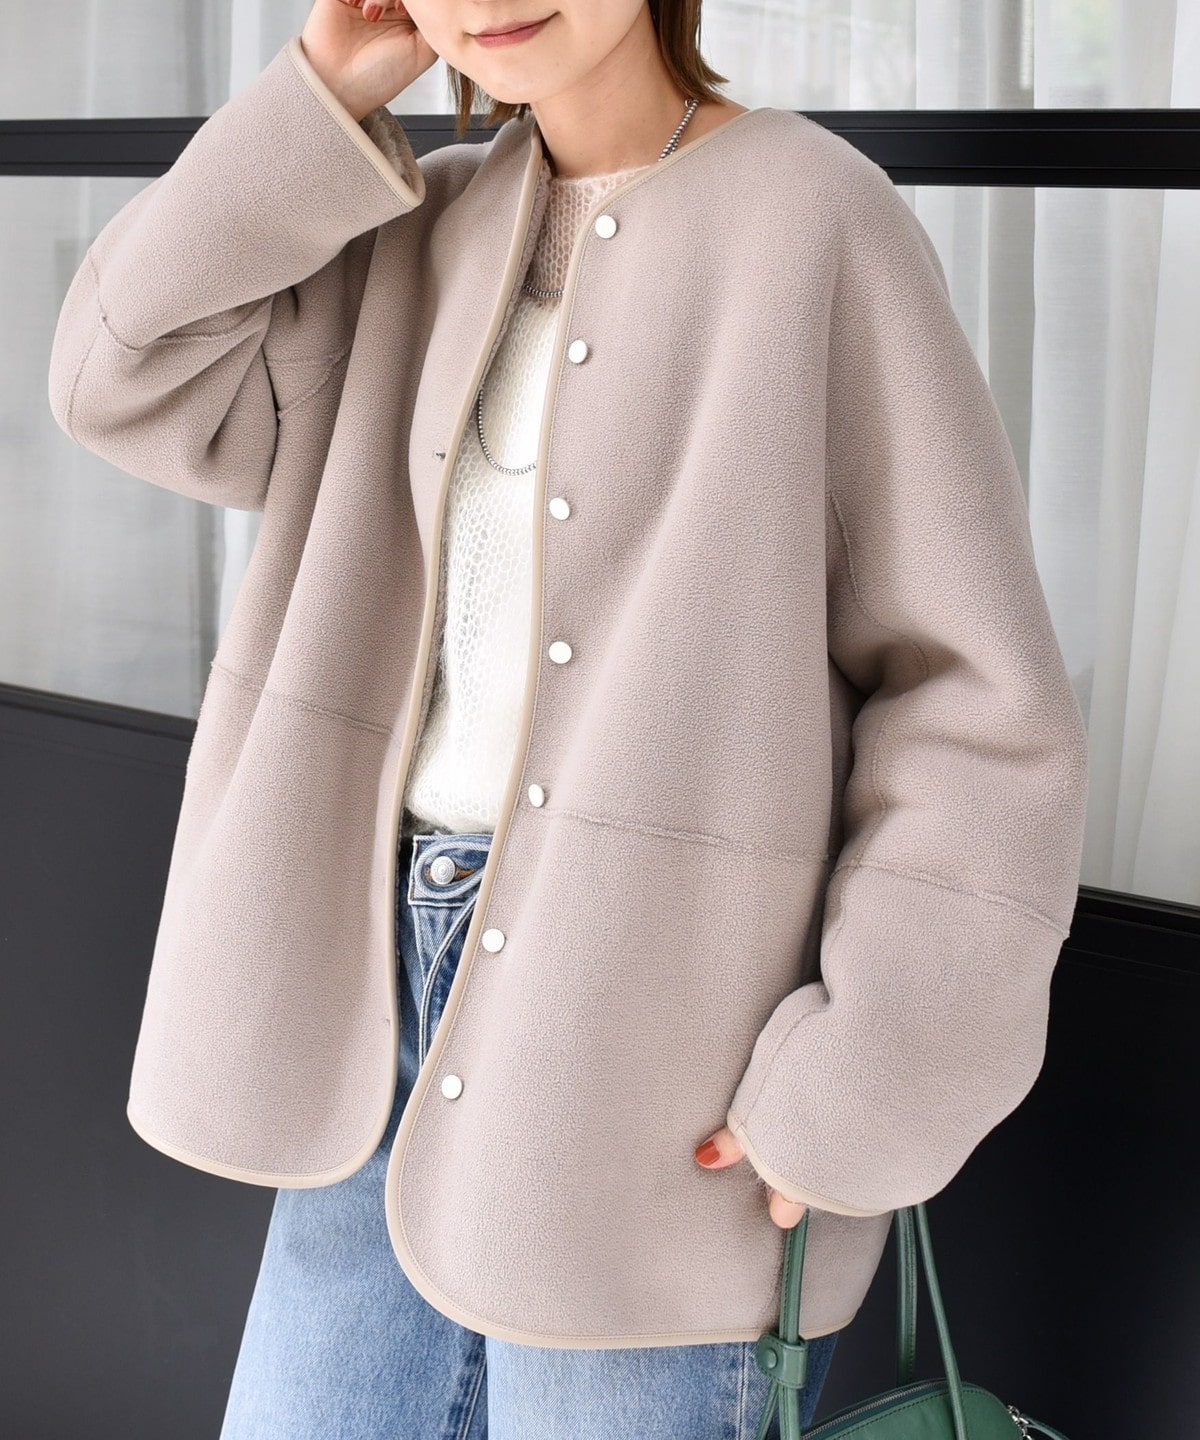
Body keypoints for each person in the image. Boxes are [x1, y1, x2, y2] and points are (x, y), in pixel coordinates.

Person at [46, 1, 1090, 1436]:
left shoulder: (817, 223)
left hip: (658, 1066)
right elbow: (119, 376)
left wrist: (864, 1079)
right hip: (366, 1032)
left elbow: (977, 700)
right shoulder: (407, 225)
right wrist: (326, 92)